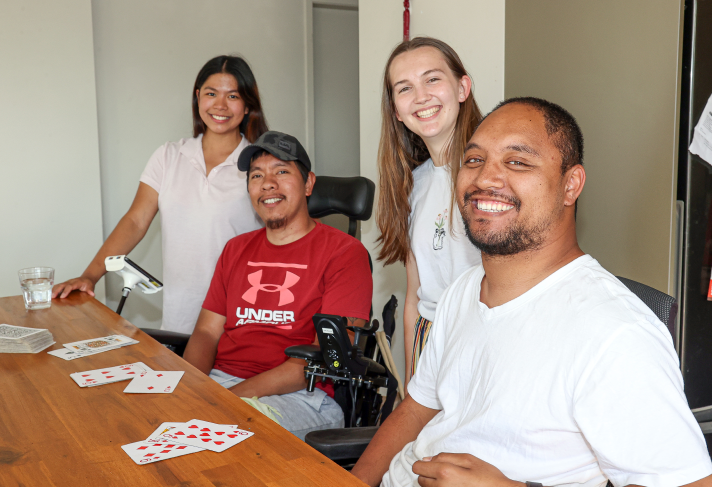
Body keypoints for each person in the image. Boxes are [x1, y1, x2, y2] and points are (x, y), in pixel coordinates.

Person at [351, 98, 712, 487]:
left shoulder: (614, 333)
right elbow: (416, 410)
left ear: (570, 185)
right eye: (473, 160)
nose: (484, 179)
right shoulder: (463, 290)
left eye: (518, 162)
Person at [52, 55, 267, 334]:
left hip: (242, 317)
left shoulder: (260, 164)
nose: (220, 105)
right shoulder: (169, 155)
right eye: (211, 94)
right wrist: (90, 276)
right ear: (198, 96)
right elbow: (136, 221)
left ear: (248, 104)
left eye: (233, 96)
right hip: (181, 318)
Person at [183, 131, 373, 440]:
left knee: (223, 433)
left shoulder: (345, 253)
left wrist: (225, 400)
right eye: (257, 175)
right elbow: (206, 331)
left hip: (303, 396)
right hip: (221, 383)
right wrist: (191, 388)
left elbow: (324, 355)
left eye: (281, 171)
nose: (267, 183)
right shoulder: (235, 249)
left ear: (309, 183)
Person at [375, 37, 482, 383]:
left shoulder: (494, 177)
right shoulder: (411, 185)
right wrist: (411, 384)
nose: (421, 96)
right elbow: (415, 300)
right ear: (396, 111)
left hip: (483, 342)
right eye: (404, 88)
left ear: (462, 87)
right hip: (429, 341)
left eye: (432, 79)